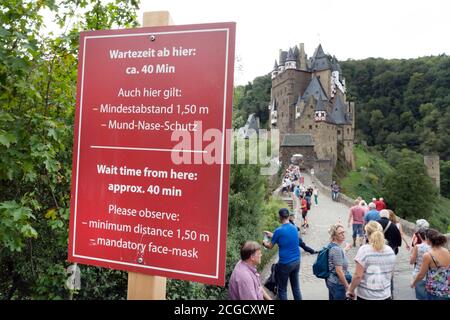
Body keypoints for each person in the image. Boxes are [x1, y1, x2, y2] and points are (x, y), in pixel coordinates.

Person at [346, 221, 396, 300]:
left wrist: (351, 290)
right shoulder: (390, 250)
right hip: (385, 295)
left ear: (367, 234)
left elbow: (358, 275)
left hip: (367, 296)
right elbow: (391, 273)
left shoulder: (364, 250)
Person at [263, 208, 302, 300]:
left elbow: (270, 246)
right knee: (296, 288)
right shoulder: (294, 228)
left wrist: (264, 242)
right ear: (288, 216)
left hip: (285, 264)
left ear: (280, 217)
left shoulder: (278, 230)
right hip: (296, 261)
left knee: (282, 290)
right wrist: (272, 235)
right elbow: (285, 236)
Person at [411, 229, 449, 300]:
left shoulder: (428, 255)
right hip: (446, 290)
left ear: (428, 239)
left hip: (434, 290)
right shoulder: (446, 251)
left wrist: (414, 283)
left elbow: (421, 275)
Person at [325, 224, 352, 300]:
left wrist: (345, 249)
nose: (343, 235)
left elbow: (337, 257)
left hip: (332, 281)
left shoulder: (332, 245)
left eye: (343, 232)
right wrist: (347, 286)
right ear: (334, 236)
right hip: (338, 284)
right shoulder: (336, 249)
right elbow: (339, 271)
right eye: (340, 233)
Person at [409, 228, 430, 300]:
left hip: (419, 274)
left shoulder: (418, 247)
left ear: (420, 236)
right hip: (430, 275)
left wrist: (411, 256)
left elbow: (412, 261)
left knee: (421, 297)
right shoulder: (433, 247)